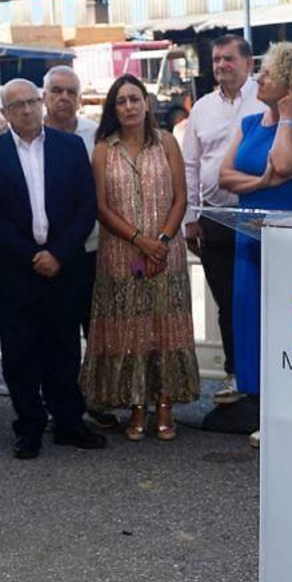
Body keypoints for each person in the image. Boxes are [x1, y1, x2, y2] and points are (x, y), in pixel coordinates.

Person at [0, 79, 107, 459]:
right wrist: (34, 255)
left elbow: (86, 206)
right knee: (20, 354)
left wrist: (59, 254)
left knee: (64, 348)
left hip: (65, 267)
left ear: (42, 102)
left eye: (32, 101)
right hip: (18, 270)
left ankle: (68, 423)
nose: (27, 109)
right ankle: (29, 426)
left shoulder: (70, 147)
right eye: (17, 105)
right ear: (5, 114)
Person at [218, 41, 292, 446]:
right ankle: (267, 407)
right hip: (250, 235)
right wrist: (261, 184)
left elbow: (284, 164)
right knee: (253, 321)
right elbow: (224, 177)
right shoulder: (248, 124)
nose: (259, 78)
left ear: (291, 83)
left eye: (268, 73)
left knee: (291, 324)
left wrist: (286, 118)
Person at [79, 75, 201, 439]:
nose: (129, 106)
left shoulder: (166, 143)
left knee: (164, 327)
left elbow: (181, 197)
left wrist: (160, 240)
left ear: (146, 103)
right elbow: (100, 207)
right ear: (113, 109)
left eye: (135, 99)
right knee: (129, 327)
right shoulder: (103, 148)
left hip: (166, 252)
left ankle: (164, 405)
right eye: (121, 101)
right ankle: (135, 405)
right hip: (120, 253)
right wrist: (138, 240)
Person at [181, 34, 266, 404]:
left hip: (260, 217)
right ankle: (236, 373)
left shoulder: (267, 99)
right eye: (216, 60)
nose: (221, 66)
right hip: (215, 219)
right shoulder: (201, 108)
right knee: (229, 303)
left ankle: (268, 377)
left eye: (228, 59)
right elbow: (189, 166)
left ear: (248, 63)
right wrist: (190, 217)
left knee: (262, 300)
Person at [44, 65, 114, 429]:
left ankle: (97, 399)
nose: (64, 98)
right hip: (48, 254)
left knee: (96, 329)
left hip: (90, 250)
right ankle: (61, 405)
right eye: (57, 90)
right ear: (45, 95)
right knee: (58, 335)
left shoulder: (95, 135)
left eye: (71, 92)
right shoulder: (30, 133)